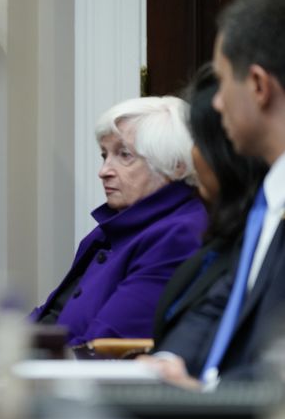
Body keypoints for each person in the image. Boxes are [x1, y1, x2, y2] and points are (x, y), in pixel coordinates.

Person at [143, 0, 285, 388]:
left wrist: (209, 394)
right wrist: (167, 364)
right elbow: (223, 303)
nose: (216, 102)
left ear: (258, 86)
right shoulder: (269, 199)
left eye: (223, 82)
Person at [30, 96, 207, 346]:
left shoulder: (179, 234)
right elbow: (52, 316)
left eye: (124, 155)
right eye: (105, 155)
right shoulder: (110, 229)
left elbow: (106, 344)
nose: (104, 171)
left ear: (176, 166)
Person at [150, 65, 266, 353]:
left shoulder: (262, 235)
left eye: (197, 141)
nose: (191, 155)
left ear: (228, 151)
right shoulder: (221, 239)